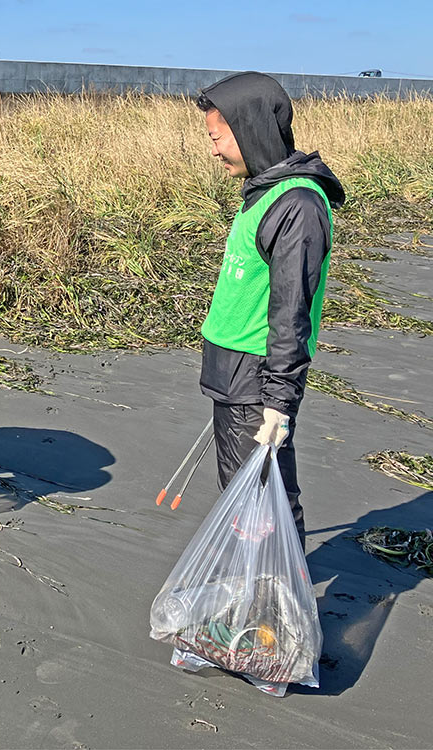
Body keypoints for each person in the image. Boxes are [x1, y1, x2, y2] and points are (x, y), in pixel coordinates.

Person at [195, 72, 345, 549]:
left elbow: (291, 313)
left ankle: (275, 614)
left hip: (257, 381)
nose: (214, 150)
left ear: (251, 130)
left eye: (218, 138)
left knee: (264, 506)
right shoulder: (265, 191)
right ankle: (254, 608)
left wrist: (278, 403)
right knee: (243, 500)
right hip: (232, 375)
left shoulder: (297, 205)